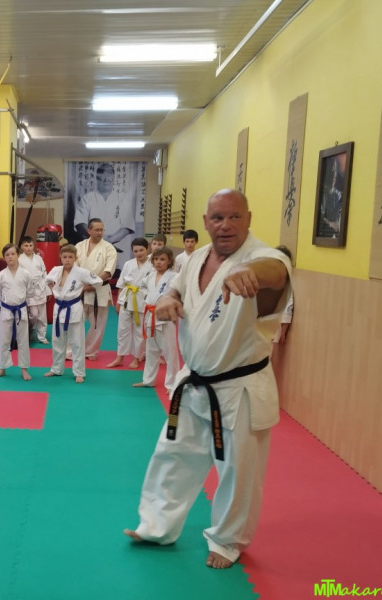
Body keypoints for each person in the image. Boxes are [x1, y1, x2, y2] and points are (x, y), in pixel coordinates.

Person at [124, 189, 292, 570]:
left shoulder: (262, 257)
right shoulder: (197, 257)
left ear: (249, 219)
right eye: (217, 218)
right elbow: (176, 286)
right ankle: (156, 526)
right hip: (194, 382)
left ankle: (228, 541)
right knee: (172, 455)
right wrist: (167, 298)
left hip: (240, 389)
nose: (225, 225)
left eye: (234, 217)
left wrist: (250, 273)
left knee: (237, 470)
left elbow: (277, 272)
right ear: (205, 222)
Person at [44, 244, 102, 383]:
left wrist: (83, 288)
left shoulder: (81, 272)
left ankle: (79, 372)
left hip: (74, 308)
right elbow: (46, 280)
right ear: (60, 257)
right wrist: (53, 288)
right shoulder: (56, 270)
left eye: (70, 257)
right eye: (65, 257)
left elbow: (99, 281)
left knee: (77, 342)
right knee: (57, 341)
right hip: (59, 308)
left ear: (75, 258)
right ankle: (56, 369)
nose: (67, 260)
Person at [132, 247, 180, 392]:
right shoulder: (150, 276)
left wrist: (166, 301)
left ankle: (172, 384)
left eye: (162, 259)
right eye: (156, 259)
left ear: (169, 261)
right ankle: (148, 380)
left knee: (170, 352)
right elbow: (142, 287)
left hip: (166, 317)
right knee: (151, 350)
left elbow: (178, 293)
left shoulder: (174, 276)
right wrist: (147, 297)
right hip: (150, 314)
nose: (158, 262)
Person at [74, 163, 136, 261]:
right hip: (93, 247)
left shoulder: (123, 198)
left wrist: (109, 240)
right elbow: (80, 223)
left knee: (117, 268)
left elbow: (127, 227)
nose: (106, 179)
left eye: (109, 175)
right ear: (97, 178)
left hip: (117, 249)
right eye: (102, 176)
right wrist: (96, 238)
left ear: (114, 178)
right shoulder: (87, 198)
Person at [75, 218, 117, 361]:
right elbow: (73, 267)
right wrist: (82, 286)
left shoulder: (109, 248)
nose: (100, 232)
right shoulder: (79, 246)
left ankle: (90, 351)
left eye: (102, 230)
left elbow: (108, 271)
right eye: (97, 230)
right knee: (75, 322)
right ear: (89, 230)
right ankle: (72, 350)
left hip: (99, 290)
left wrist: (91, 285)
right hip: (80, 290)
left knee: (97, 324)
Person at [0, 243, 32, 381]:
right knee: (4, 340)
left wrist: (22, 303)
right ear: (4, 258)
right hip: (6, 310)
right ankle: (2, 368)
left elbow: (30, 292)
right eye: (7, 255)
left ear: (18, 255)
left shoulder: (25, 274)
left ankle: (24, 369)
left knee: (23, 340)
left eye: (13, 254)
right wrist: (6, 305)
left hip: (21, 310)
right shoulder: (1, 275)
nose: (10, 257)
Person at [107, 237, 151, 369]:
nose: (138, 253)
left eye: (141, 250)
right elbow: (121, 284)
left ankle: (136, 358)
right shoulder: (128, 264)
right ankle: (119, 357)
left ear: (147, 249)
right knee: (122, 330)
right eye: (135, 251)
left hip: (143, 300)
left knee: (139, 331)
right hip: (126, 299)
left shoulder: (152, 265)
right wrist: (118, 303)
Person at [18, 236, 49, 345]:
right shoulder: (19, 259)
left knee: (42, 315)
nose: (28, 248)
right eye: (26, 246)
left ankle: (42, 336)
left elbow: (44, 272)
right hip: (28, 289)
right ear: (21, 247)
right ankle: (30, 329)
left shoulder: (38, 258)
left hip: (40, 288)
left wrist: (47, 287)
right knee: (33, 314)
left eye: (30, 245)